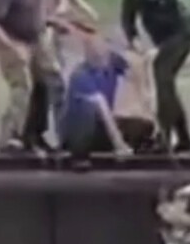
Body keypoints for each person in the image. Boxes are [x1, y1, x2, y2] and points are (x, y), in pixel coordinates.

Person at [0, 0, 93, 153]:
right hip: (11, 37)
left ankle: (43, 134)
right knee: (22, 87)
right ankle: (10, 139)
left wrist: (79, 4)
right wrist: (11, 47)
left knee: (52, 80)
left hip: (38, 34)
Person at [23, 0, 100, 144]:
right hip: (41, 30)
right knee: (52, 81)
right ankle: (59, 133)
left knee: (44, 84)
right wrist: (80, 6)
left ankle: (36, 133)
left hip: (53, 28)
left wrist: (72, 10)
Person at [120, 0, 190, 151]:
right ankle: (184, 138)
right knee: (167, 85)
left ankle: (165, 135)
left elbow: (186, 29)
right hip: (160, 38)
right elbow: (127, 17)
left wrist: (161, 51)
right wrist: (133, 38)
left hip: (182, 36)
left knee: (161, 73)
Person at [57, 32, 153, 161]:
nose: (101, 58)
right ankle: (84, 154)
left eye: (102, 54)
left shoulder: (111, 63)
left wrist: (146, 96)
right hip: (77, 132)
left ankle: (143, 144)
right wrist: (119, 145)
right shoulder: (80, 75)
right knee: (94, 105)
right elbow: (101, 105)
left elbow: (134, 64)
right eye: (94, 54)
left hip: (100, 124)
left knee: (140, 125)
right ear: (87, 54)